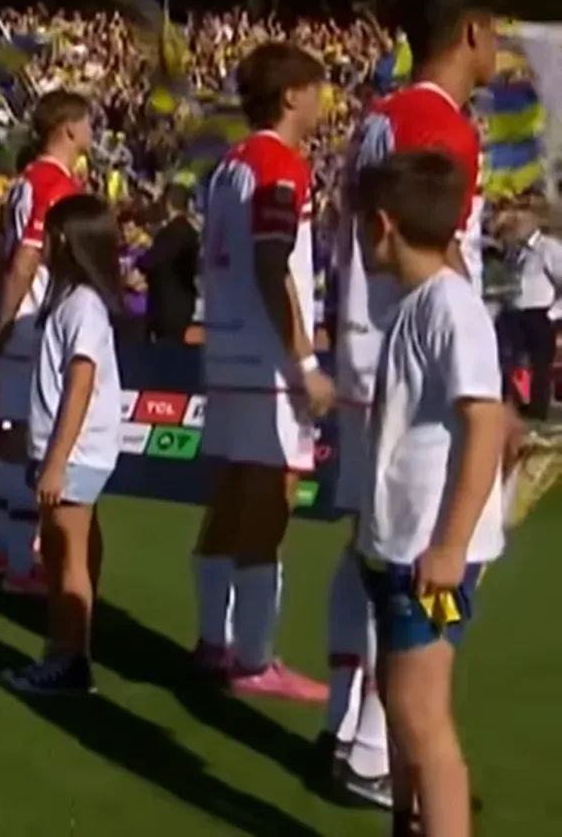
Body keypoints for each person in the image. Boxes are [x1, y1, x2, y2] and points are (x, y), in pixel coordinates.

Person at [327, 0, 495, 804]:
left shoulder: (382, 116)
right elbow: (449, 262)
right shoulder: (438, 129)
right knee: (409, 563)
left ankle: (361, 734)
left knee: (383, 548)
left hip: (380, 349)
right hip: (415, 363)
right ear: (470, 32)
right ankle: (371, 749)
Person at [354, 149, 509, 837]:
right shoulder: (422, 304)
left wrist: (449, 545)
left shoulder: (451, 307)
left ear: (383, 225)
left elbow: (485, 421)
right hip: (399, 545)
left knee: (421, 714)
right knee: (399, 701)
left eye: (360, 226)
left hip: (430, 555)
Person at [195, 41, 332, 702]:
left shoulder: (228, 167)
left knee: (229, 498)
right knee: (269, 503)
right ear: (291, 96)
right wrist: (306, 359)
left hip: (225, 350)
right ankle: (253, 658)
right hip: (267, 360)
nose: (324, 102)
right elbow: (271, 263)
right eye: (318, 89)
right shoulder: (280, 165)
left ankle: (213, 641)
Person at [2, 194, 124, 696]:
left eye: (51, 234)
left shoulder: (83, 306)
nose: (42, 243)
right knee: (72, 551)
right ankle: (70, 653)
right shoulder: (70, 300)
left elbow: (80, 382)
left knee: (64, 554)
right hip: (70, 450)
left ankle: (68, 660)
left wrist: (55, 462)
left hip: (72, 453)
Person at [0, 91, 91, 594]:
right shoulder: (52, 183)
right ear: (68, 128)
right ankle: (21, 562)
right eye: (88, 124)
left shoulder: (20, 184)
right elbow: (26, 261)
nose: (92, 134)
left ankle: (3, 546)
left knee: (11, 436)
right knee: (33, 441)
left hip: (19, 325)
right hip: (37, 327)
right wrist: (6, 321)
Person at [496, 201, 561, 420]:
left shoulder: (548, 248)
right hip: (513, 315)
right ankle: (512, 408)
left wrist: (552, 314)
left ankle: (537, 412)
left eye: (521, 214)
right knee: (509, 363)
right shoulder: (514, 252)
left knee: (539, 367)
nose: (515, 220)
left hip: (539, 315)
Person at [140, 183, 200, 344]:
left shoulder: (171, 233)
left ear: (167, 203)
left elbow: (150, 261)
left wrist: (142, 259)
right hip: (183, 302)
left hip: (168, 305)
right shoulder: (190, 232)